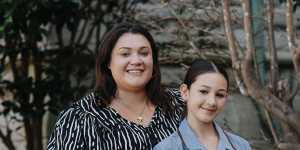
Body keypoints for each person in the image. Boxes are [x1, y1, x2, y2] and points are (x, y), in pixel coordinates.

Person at [47, 22, 184, 150]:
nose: (136, 60)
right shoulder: (78, 119)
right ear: (108, 62)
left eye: (144, 53)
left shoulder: (180, 104)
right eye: (125, 54)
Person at [154, 59, 251, 150]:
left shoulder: (241, 146)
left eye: (220, 95)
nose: (212, 102)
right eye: (204, 91)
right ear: (185, 92)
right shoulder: (166, 148)